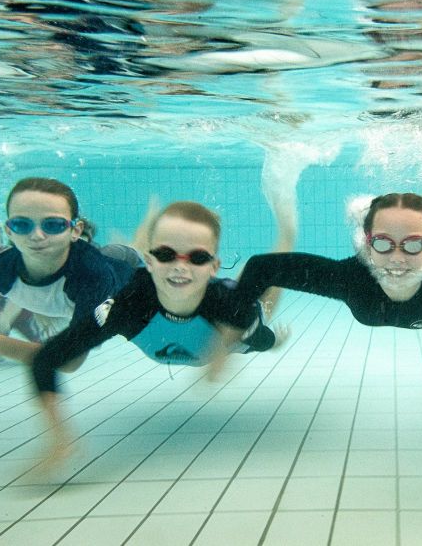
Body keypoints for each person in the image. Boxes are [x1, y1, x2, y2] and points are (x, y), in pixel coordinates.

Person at [30, 199, 291, 466]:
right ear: (149, 260)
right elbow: (46, 359)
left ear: (213, 265)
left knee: (264, 302)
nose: (180, 266)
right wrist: (60, 439)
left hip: (230, 316)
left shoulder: (232, 308)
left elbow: (262, 339)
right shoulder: (129, 304)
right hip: (198, 314)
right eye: (166, 254)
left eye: (198, 257)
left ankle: (287, 231)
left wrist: (237, 348)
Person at [232, 165, 422, 329]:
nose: (396, 259)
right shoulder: (350, 278)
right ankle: (402, 224)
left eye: (412, 245)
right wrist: (236, 320)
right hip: (414, 239)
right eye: (382, 243)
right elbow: (263, 268)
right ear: (367, 243)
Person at [0, 177, 134, 365]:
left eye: (53, 225)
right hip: (83, 263)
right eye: (22, 225)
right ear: (9, 231)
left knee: (117, 256)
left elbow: (71, 360)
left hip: (132, 286)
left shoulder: (91, 275)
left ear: (76, 230)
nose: (36, 236)